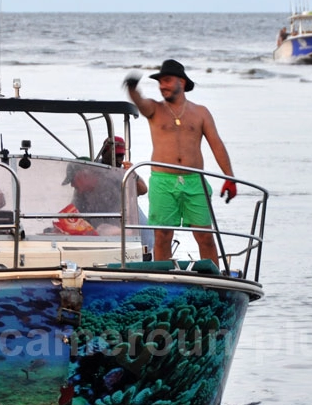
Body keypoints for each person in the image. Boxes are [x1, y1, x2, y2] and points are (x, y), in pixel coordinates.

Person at [123, 59, 237, 263]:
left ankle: (213, 279)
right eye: (160, 82)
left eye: (167, 80)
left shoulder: (201, 112)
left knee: (205, 237)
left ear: (181, 82)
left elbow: (216, 144)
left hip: (195, 181)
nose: (162, 86)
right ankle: (162, 278)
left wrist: (230, 178)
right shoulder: (155, 109)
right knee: (162, 236)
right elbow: (140, 102)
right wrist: (132, 88)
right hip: (163, 181)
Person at [96, 136, 154, 252]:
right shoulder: (95, 168)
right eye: (115, 155)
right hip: (104, 211)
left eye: (121, 156)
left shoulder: (125, 172)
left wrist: (133, 174)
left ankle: (146, 254)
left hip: (126, 210)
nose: (118, 159)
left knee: (146, 232)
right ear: (104, 153)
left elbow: (143, 190)